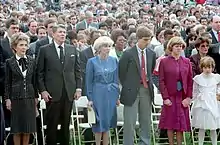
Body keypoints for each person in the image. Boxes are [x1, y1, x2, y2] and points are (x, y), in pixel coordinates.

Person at [36, 24, 82, 145]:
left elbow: (77, 70)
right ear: (53, 34)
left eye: (64, 32)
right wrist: (43, 90)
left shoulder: (72, 49)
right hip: (52, 93)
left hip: (68, 92)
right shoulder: (44, 50)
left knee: (66, 124)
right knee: (52, 124)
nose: (63, 34)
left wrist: (78, 88)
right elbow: (39, 72)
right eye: (60, 32)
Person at [119, 26, 156, 145]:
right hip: (131, 90)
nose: (148, 42)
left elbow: (150, 71)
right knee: (130, 120)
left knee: (145, 120)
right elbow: (122, 73)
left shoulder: (151, 53)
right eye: (145, 39)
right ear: (138, 39)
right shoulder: (128, 54)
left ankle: (145, 142)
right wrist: (129, 85)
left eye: (149, 39)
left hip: (146, 89)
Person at [4, 32, 38, 145]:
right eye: (21, 45)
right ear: (14, 47)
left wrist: (36, 97)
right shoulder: (9, 62)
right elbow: (7, 82)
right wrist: (7, 99)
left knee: (28, 129)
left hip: (29, 97)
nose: (24, 47)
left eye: (25, 45)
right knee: (17, 130)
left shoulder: (32, 61)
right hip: (16, 98)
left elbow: (34, 81)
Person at [86, 36, 120, 145]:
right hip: (98, 93)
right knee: (99, 122)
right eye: (105, 46)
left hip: (111, 93)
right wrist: (90, 98)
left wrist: (117, 97)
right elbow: (88, 81)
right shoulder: (92, 62)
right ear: (99, 48)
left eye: (109, 46)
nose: (108, 48)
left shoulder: (114, 60)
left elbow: (116, 79)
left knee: (108, 121)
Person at [159, 36, 193, 145]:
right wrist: (165, 98)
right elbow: (161, 81)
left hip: (182, 97)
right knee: (170, 123)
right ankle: (171, 143)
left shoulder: (187, 61)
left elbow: (189, 81)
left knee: (180, 124)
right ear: (171, 47)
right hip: (170, 96)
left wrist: (188, 97)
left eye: (181, 46)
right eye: (176, 46)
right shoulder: (164, 61)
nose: (179, 48)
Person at [191, 56, 220, 145]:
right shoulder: (198, 78)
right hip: (201, 104)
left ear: (213, 67)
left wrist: (218, 93)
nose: (207, 69)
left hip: (213, 103)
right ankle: (200, 143)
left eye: (209, 67)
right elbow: (195, 91)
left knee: (213, 127)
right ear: (202, 67)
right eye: (205, 67)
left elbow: (218, 87)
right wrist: (196, 99)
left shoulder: (216, 77)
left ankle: (214, 143)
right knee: (201, 127)